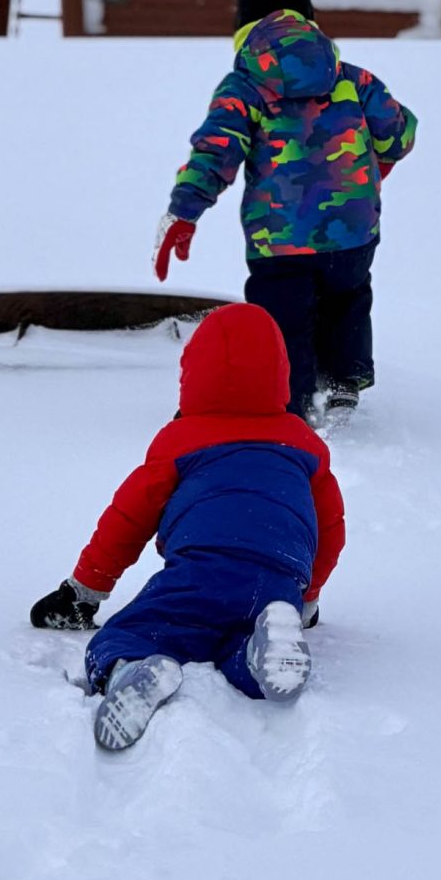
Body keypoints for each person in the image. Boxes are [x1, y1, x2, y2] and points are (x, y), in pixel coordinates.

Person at [29, 302, 345, 752]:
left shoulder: (179, 441)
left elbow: (127, 521)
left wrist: (84, 591)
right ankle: (258, 657)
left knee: (134, 632)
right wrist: (307, 599)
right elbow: (330, 529)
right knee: (237, 639)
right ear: (280, 372)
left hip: (202, 571)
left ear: (193, 375)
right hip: (280, 579)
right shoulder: (305, 444)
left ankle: (127, 669)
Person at [153, 0, 417, 423]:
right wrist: (379, 160)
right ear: (309, 17)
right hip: (353, 229)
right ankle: (343, 383)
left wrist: (184, 211)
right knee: (347, 297)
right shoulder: (352, 78)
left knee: (284, 317)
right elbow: (400, 132)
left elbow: (217, 152)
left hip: (279, 238)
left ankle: (291, 405)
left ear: (243, 26)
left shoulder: (244, 86)